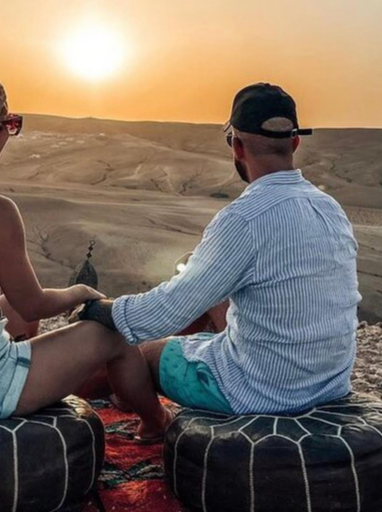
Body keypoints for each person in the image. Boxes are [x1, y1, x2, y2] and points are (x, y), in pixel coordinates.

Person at [0, 75, 171, 441]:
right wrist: (80, 292)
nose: (9, 133)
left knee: (8, 308)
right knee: (111, 337)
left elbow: (2, 304)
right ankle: (156, 422)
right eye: (10, 125)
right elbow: (34, 303)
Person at [72, 83, 363, 415]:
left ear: (237, 146)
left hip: (261, 391)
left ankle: (152, 420)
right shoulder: (329, 208)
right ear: (294, 142)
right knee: (201, 280)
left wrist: (98, 309)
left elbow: (162, 313)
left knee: (147, 352)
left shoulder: (244, 218)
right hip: (327, 383)